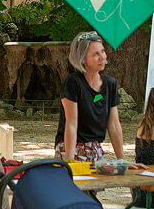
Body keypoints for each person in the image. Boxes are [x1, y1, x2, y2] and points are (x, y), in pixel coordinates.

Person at [54, 31, 129, 164]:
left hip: (96, 150)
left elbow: (114, 124)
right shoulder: (73, 82)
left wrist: (122, 161)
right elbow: (71, 123)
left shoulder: (110, 83)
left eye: (103, 51)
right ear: (82, 59)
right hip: (73, 148)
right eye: (96, 54)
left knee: (98, 185)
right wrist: (70, 161)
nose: (102, 57)